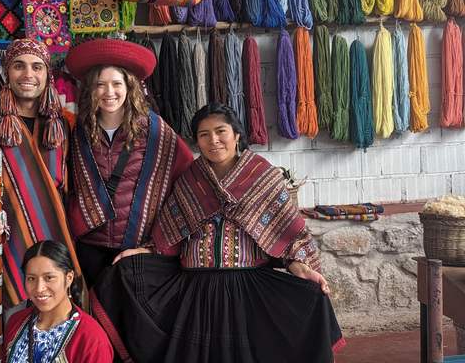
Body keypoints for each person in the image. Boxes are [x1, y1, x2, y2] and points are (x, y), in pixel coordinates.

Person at [90, 103, 345, 363]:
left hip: (249, 287)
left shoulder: (262, 176)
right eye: (203, 134)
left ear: (236, 135)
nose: (213, 140)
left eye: (221, 131)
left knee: (308, 302)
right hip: (195, 288)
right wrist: (145, 250)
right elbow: (171, 227)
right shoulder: (191, 178)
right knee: (121, 276)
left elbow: (286, 233)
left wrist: (299, 267)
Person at [0, 39, 79, 318]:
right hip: (6, 244)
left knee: (58, 325)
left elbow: (69, 189)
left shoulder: (60, 126)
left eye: (37, 67)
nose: (28, 75)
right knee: (13, 326)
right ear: (6, 73)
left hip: (56, 238)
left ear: (48, 75)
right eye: (19, 66)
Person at [63, 38, 194, 287]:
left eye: (116, 84)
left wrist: (158, 241)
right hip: (89, 247)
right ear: (91, 89)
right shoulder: (78, 131)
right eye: (101, 84)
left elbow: (188, 182)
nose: (109, 92)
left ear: (129, 86)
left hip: (137, 248)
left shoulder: (156, 131)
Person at [3, 240, 113, 363]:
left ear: (69, 278)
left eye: (49, 278)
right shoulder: (16, 321)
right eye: (31, 278)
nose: (39, 288)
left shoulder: (92, 340)